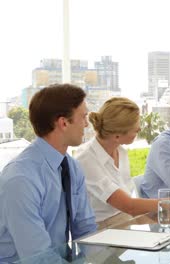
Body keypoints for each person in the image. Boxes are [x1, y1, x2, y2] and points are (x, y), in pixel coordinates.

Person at [75, 97, 170, 229]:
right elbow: (129, 206)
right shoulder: (86, 160)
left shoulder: (121, 152)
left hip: (124, 221)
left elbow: (128, 210)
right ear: (117, 135)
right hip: (100, 230)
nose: (140, 128)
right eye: (135, 129)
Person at [0, 84, 97, 262]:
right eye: (83, 117)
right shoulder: (20, 179)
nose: (87, 123)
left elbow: (86, 228)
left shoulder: (72, 167)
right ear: (63, 123)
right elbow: (37, 257)